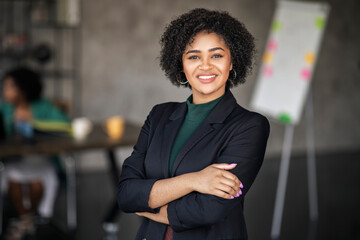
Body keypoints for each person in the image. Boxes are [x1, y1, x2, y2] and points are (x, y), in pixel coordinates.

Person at [117, 8, 270, 240]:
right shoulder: (159, 115)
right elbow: (126, 194)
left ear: (232, 62)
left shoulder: (249, 126)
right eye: (194, 56)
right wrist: (195, 180)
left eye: (216, 55)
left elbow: (209, 210)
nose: (205, 66)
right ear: (182, 65)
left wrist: (147, 204)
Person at [0, 66, 70, 240]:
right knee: (13, 179)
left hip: (41, 160)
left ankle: (27, 220)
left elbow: (65, 124)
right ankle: (28, 219)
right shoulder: (5, 109)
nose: (4, 90)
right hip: (14, 160)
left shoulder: (43, 106)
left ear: (22, 90)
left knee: (38, 183)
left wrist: (35, 123)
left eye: (9, 86)